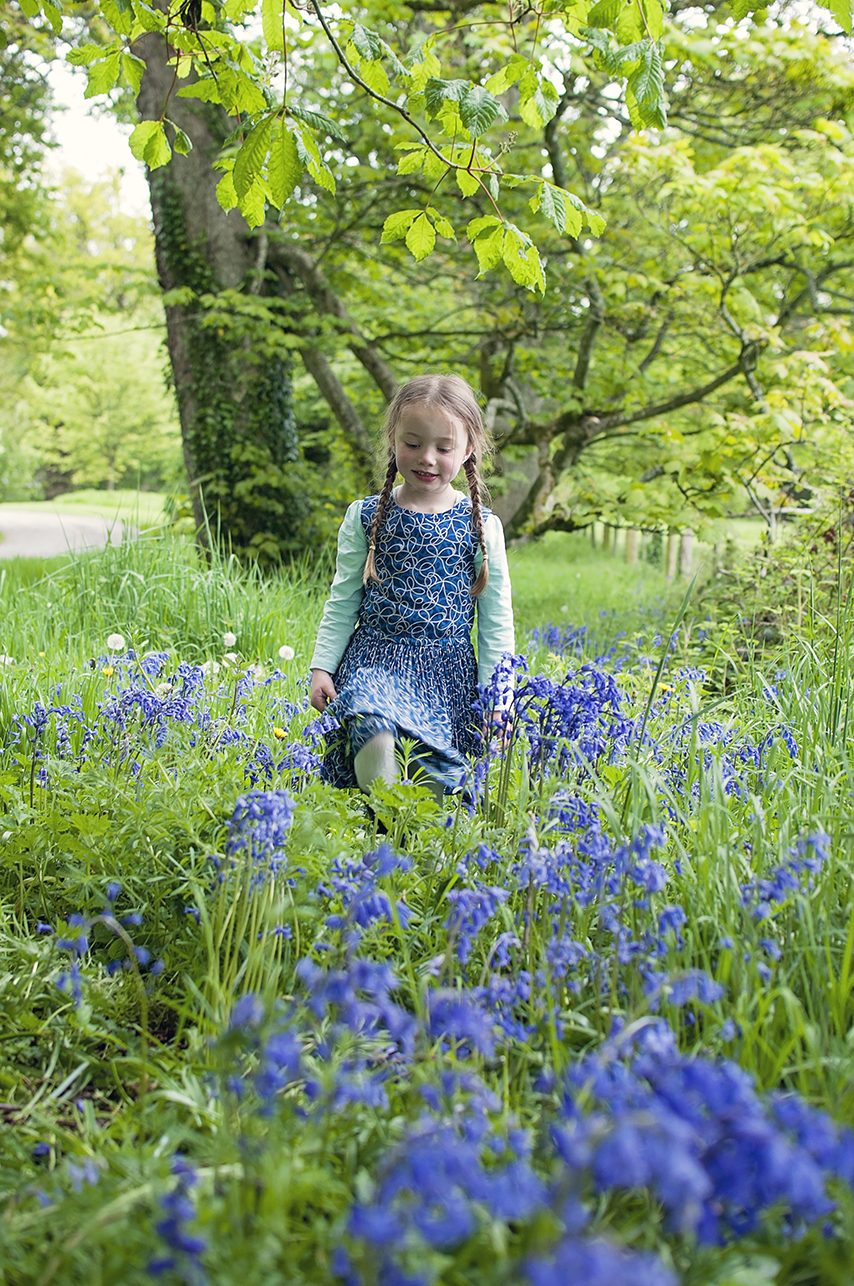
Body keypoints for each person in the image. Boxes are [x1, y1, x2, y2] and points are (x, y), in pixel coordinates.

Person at [309, 373, 515, 803]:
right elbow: (343, 600)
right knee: (374, 728)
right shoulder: (365, 516)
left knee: (437, 787)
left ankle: (409, 839)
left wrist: (499, 699)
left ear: (468, 450)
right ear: (393, 439)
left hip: (446, 675)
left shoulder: (481, 527)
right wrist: (322, 666)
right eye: (413, 443)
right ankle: (390, 816)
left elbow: (496, 623)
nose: (427, 458)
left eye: (444, 448)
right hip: (374, 662)